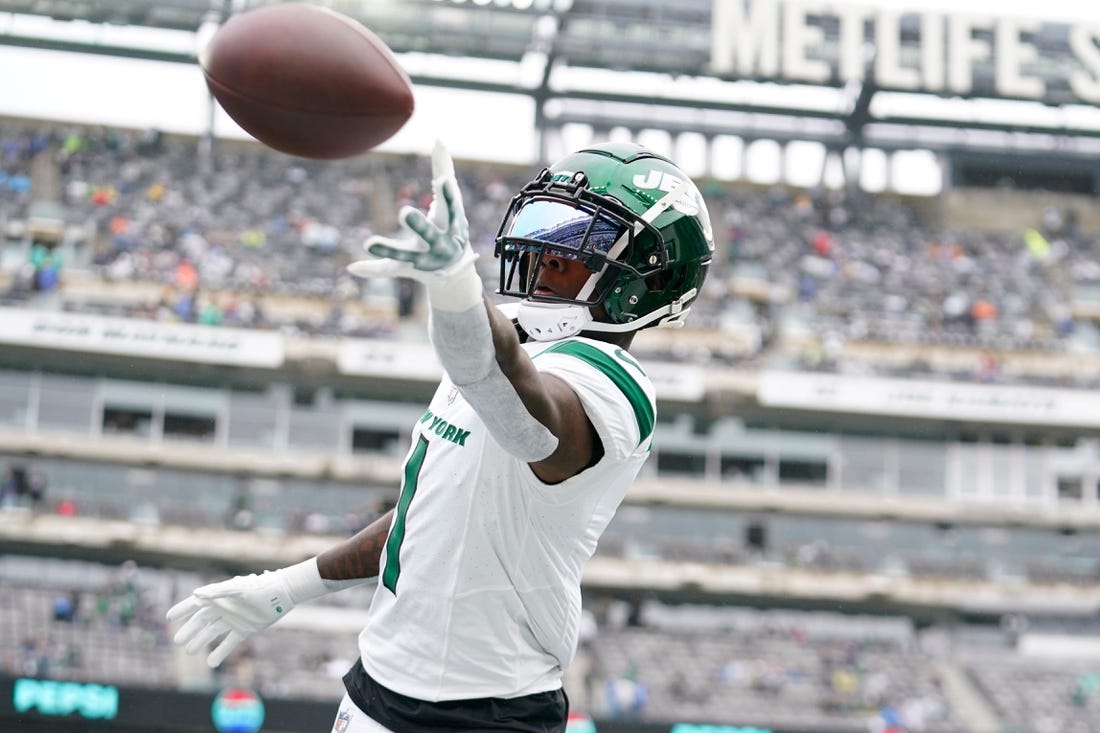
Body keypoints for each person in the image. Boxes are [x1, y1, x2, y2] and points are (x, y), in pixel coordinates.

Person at [166, 140, 714, 732]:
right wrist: (288, 586)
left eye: (583, 243)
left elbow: (526, 419)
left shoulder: (613, 386)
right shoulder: (507, 349)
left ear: (649, 280)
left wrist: (457, 291)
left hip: (491, 711)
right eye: (550, 227)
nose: (550, 253)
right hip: (375, 688)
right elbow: (422, 514)